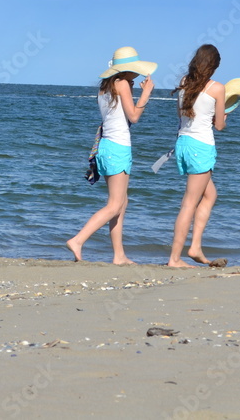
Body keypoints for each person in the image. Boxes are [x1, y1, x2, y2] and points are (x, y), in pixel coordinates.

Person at [67, 46, 156, 264]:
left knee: (120, 203)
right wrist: (146, 93)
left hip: (106, 147)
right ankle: (78, 240)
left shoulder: (107, 87)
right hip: (117, 148)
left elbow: (117, 116)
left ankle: (119, 256)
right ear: (128, 69)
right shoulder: (122, 84)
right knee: (115, 205)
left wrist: (133, 91)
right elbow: (133, 116)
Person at [168, 44, 225, 268]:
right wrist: (223, 114)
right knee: (189, 203)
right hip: (201, 145)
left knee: (210, 195)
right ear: (213, 65)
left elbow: (181, 115)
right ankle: (174, 259)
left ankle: (195, 247)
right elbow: (219, 125)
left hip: (183, 142)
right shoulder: (217, 88)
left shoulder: (185, 82)